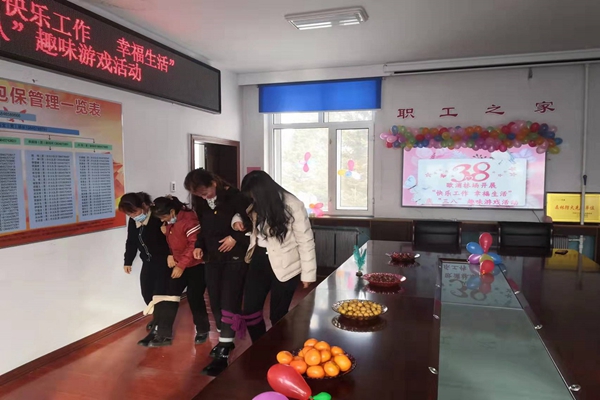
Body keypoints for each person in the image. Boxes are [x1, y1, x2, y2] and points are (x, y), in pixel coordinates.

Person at [234, 171, 316, 343]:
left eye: (254, 195)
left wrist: (308, 274)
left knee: (278, 315)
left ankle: (279, 348)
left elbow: (306, 240)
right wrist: (236, 221)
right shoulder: (254, 201)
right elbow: (239, 211)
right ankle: (260, 345)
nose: (252, 198)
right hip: (259, 259)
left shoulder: (292, 204)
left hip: (287, 263)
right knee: (250, 311)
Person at [184, 169, 251, 376]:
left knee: (229, 299)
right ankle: (225, 340)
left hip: (235, 258)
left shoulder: (236, 197)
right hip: (212, 258)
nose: (204, 197)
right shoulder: (203, 202)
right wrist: (199, 246)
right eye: (199, 195)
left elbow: (253, 223)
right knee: (215, 300)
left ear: (214, 182)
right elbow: (204, 228)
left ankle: (224, 347)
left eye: (205, 192)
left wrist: (235, 238)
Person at [137, 196, 210, 347]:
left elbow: (193, 245)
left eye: (163, 217)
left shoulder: (189, 220)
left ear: (171, 211)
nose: (162, 220)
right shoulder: (170, 221)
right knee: (169, 296)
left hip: (196, 265)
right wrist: (171, 254)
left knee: (194, 297)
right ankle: (163, 334)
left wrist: (181, 265)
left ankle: (203, 329)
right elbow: (173, 241)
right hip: (178, 263)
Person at [119, 192, 169, 331]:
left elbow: (171, 238)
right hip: (148, 261)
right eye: (129, 214)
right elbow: (131, 241)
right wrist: (127, 261)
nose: (133, 216)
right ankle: (157, 318)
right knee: (146, 292)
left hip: (163, 261)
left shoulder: (157, 217)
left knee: (160, 293)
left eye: (135, 212)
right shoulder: (133, 221)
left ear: (144, 206)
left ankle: (162, 324)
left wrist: (172, 256)